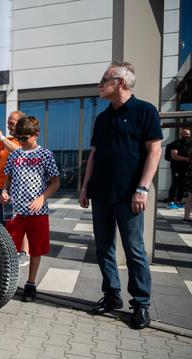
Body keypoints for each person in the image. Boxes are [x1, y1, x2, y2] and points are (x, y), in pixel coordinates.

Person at [79, 61, 163, 329]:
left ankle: (140, 303)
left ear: (121, 83)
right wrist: (84, 187)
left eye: (105, 79)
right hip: (101, 194)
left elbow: (154, 151)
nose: (99, 84)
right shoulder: (103, 117)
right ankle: (112, 295)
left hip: (129, 196)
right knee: (104, 248)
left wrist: (142, 188)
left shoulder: (145, 111)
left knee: (134, 249)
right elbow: (94, 154)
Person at [1, 116, 60, 302]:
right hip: (16, 211)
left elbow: (55, 182)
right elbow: (8, 178)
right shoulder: (14, 155)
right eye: (18, 138)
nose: (21, 141)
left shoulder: (45, 155)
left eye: (25, 138)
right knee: (9, 247)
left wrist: (42, 198)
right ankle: (7, 282)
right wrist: (4, 191)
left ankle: (31, 284)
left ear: (36, 135)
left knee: (35, 249)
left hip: (37, 212)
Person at [166, 128, 191, 209]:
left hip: (185, 168)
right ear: (181, 134)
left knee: (182, 184)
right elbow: (174, 156)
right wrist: (186, 159)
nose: (188, 135)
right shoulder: (176, 143)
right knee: (175, 184)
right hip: (176, 168)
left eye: (189, 134)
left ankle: (179, 201)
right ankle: (171, 202)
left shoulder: (188, 144)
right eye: (186, 134)